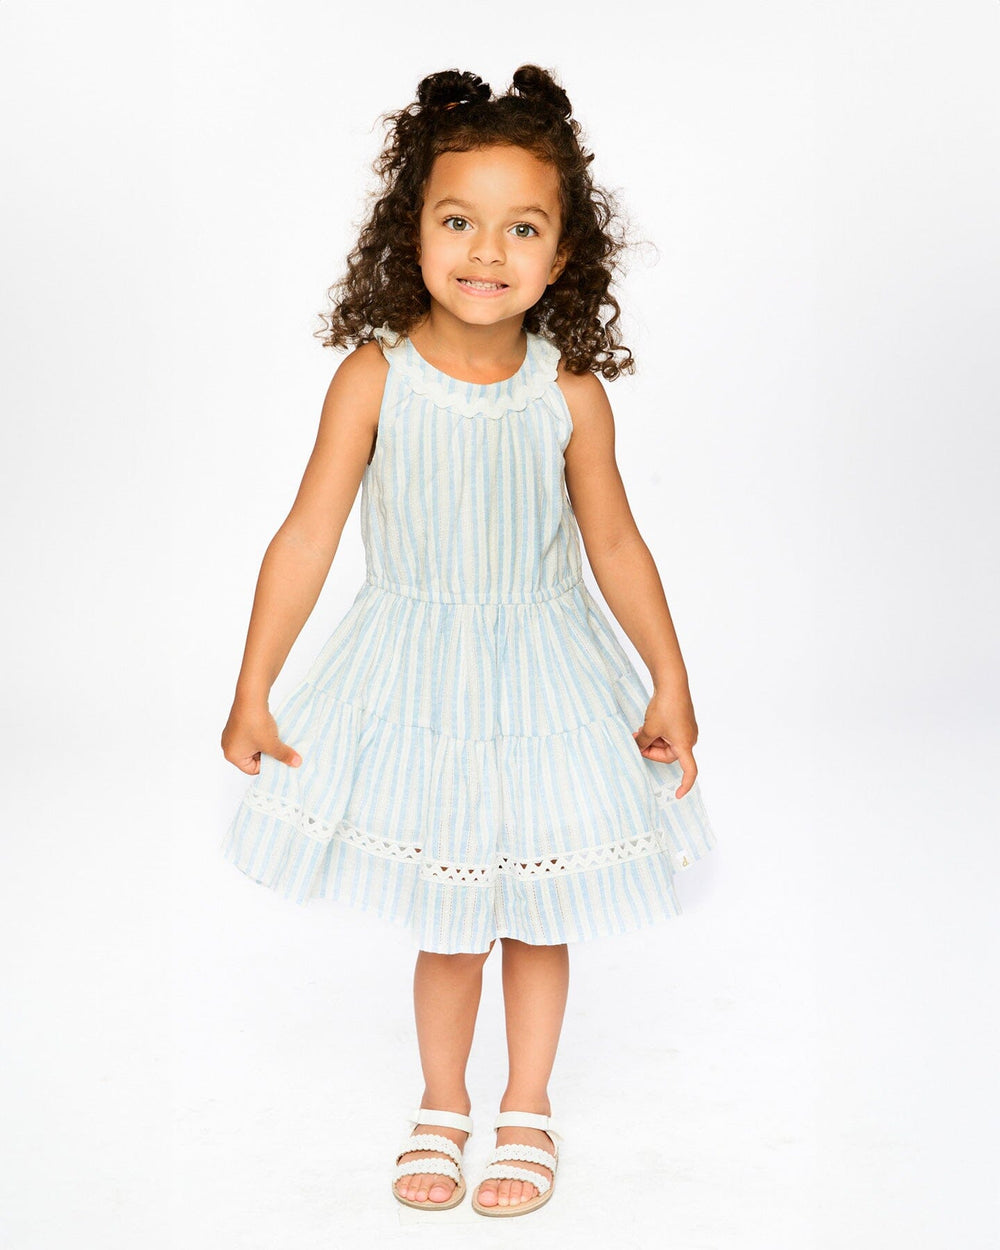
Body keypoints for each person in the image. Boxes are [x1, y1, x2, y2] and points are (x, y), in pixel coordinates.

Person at [220, 63, 719, 1219]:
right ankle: (442, 1099)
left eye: (521, 227)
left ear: (562, 254)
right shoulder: (374, 376)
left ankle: (526, 1102)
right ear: (412, 230)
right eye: (458, 220)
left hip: (546, 679)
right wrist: (254, 685)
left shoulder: (569, 390)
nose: (486, 250)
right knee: (452, 916)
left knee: (537, 905)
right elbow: (306, 536)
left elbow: (614, 541)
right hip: (421, 678)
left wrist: (669, 673)